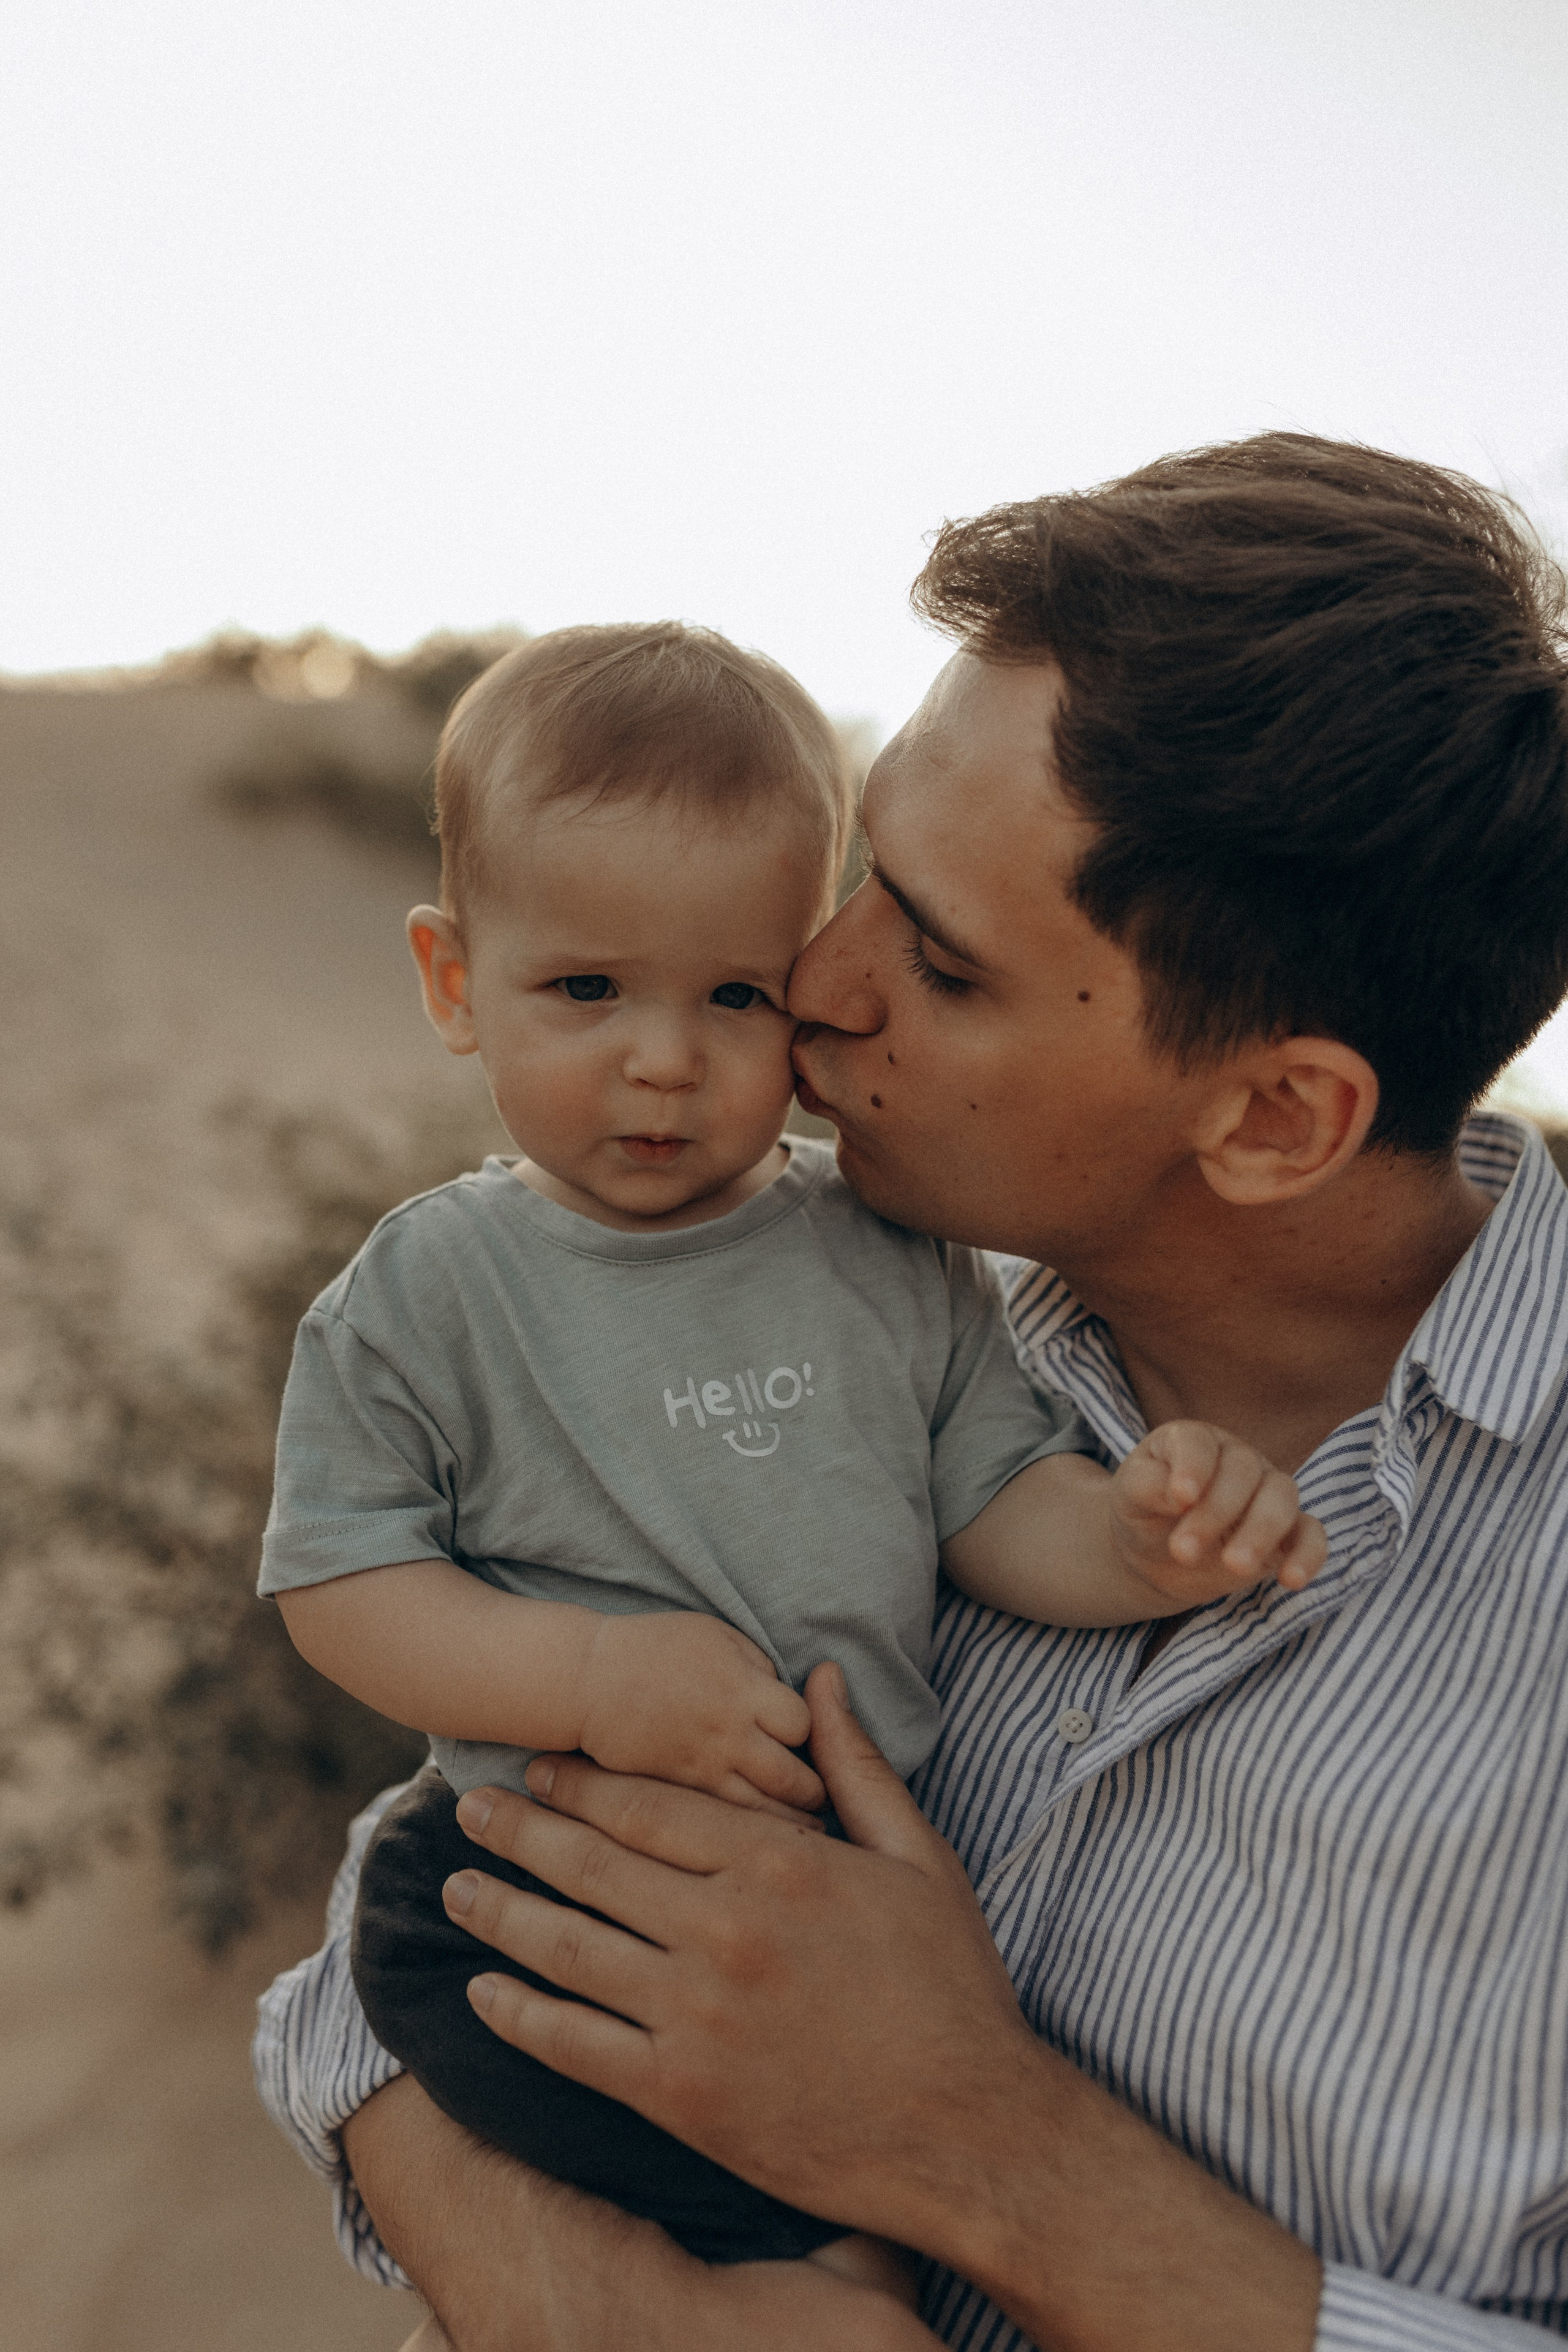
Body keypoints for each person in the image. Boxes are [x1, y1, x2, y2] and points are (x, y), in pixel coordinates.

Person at [255, 433, 1568, 2350]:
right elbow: (409, 1929)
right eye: (863, 874)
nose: (816, 986)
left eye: (940, 964)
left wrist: (978, 2152)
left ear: (1277, 1115)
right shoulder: (837, 1301)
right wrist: (599, 2307)